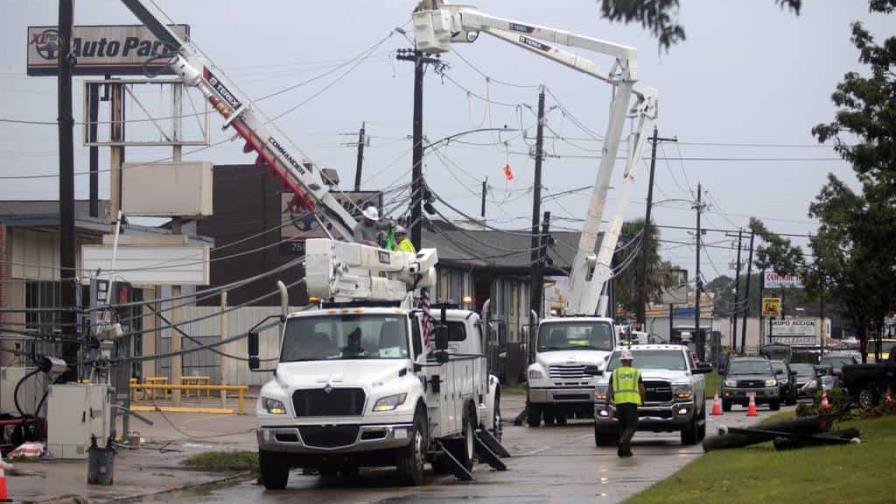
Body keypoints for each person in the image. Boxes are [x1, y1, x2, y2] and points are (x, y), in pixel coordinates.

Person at [608, 349, 646, 458]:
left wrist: (606, 403)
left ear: (621, 361)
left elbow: (610, 389)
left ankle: (624, 451)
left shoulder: (615, 373)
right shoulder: (635, 373)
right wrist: (643, 401)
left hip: (619, 403)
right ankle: (622, 441)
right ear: (630, 361)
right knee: (633, 425)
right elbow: (642, 389)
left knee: (623, 427)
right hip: (631, 402)